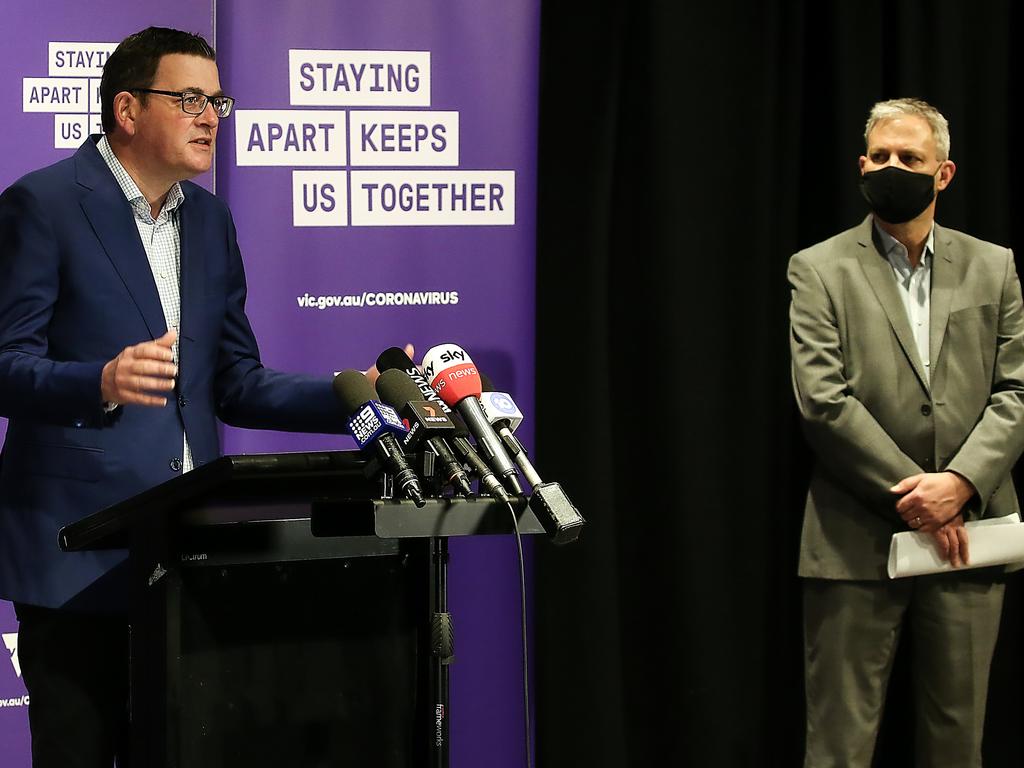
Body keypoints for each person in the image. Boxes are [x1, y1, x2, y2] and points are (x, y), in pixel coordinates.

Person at [0, 27, 364, 767]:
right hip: (79, 554)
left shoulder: (211, 219)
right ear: (127, 110)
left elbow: (235, 379)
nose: (211, 118)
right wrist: (97, 382)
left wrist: (357, 396)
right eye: (190, 98)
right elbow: (5, 363)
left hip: (185, 553)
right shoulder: (43, 206)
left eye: (218, 101)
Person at [788, 97, 1024, 767]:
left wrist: (960, 484)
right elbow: (824, 402)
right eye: (881, 157)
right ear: (862, 166)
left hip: (969, 539)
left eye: (910, 159)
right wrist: (917, 496)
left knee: (957, 742)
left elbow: (1017, 389)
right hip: (852, 541)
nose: (893, 167)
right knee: (840, 746)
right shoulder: (817, 269)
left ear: (942, 174)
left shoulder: (994, 266)